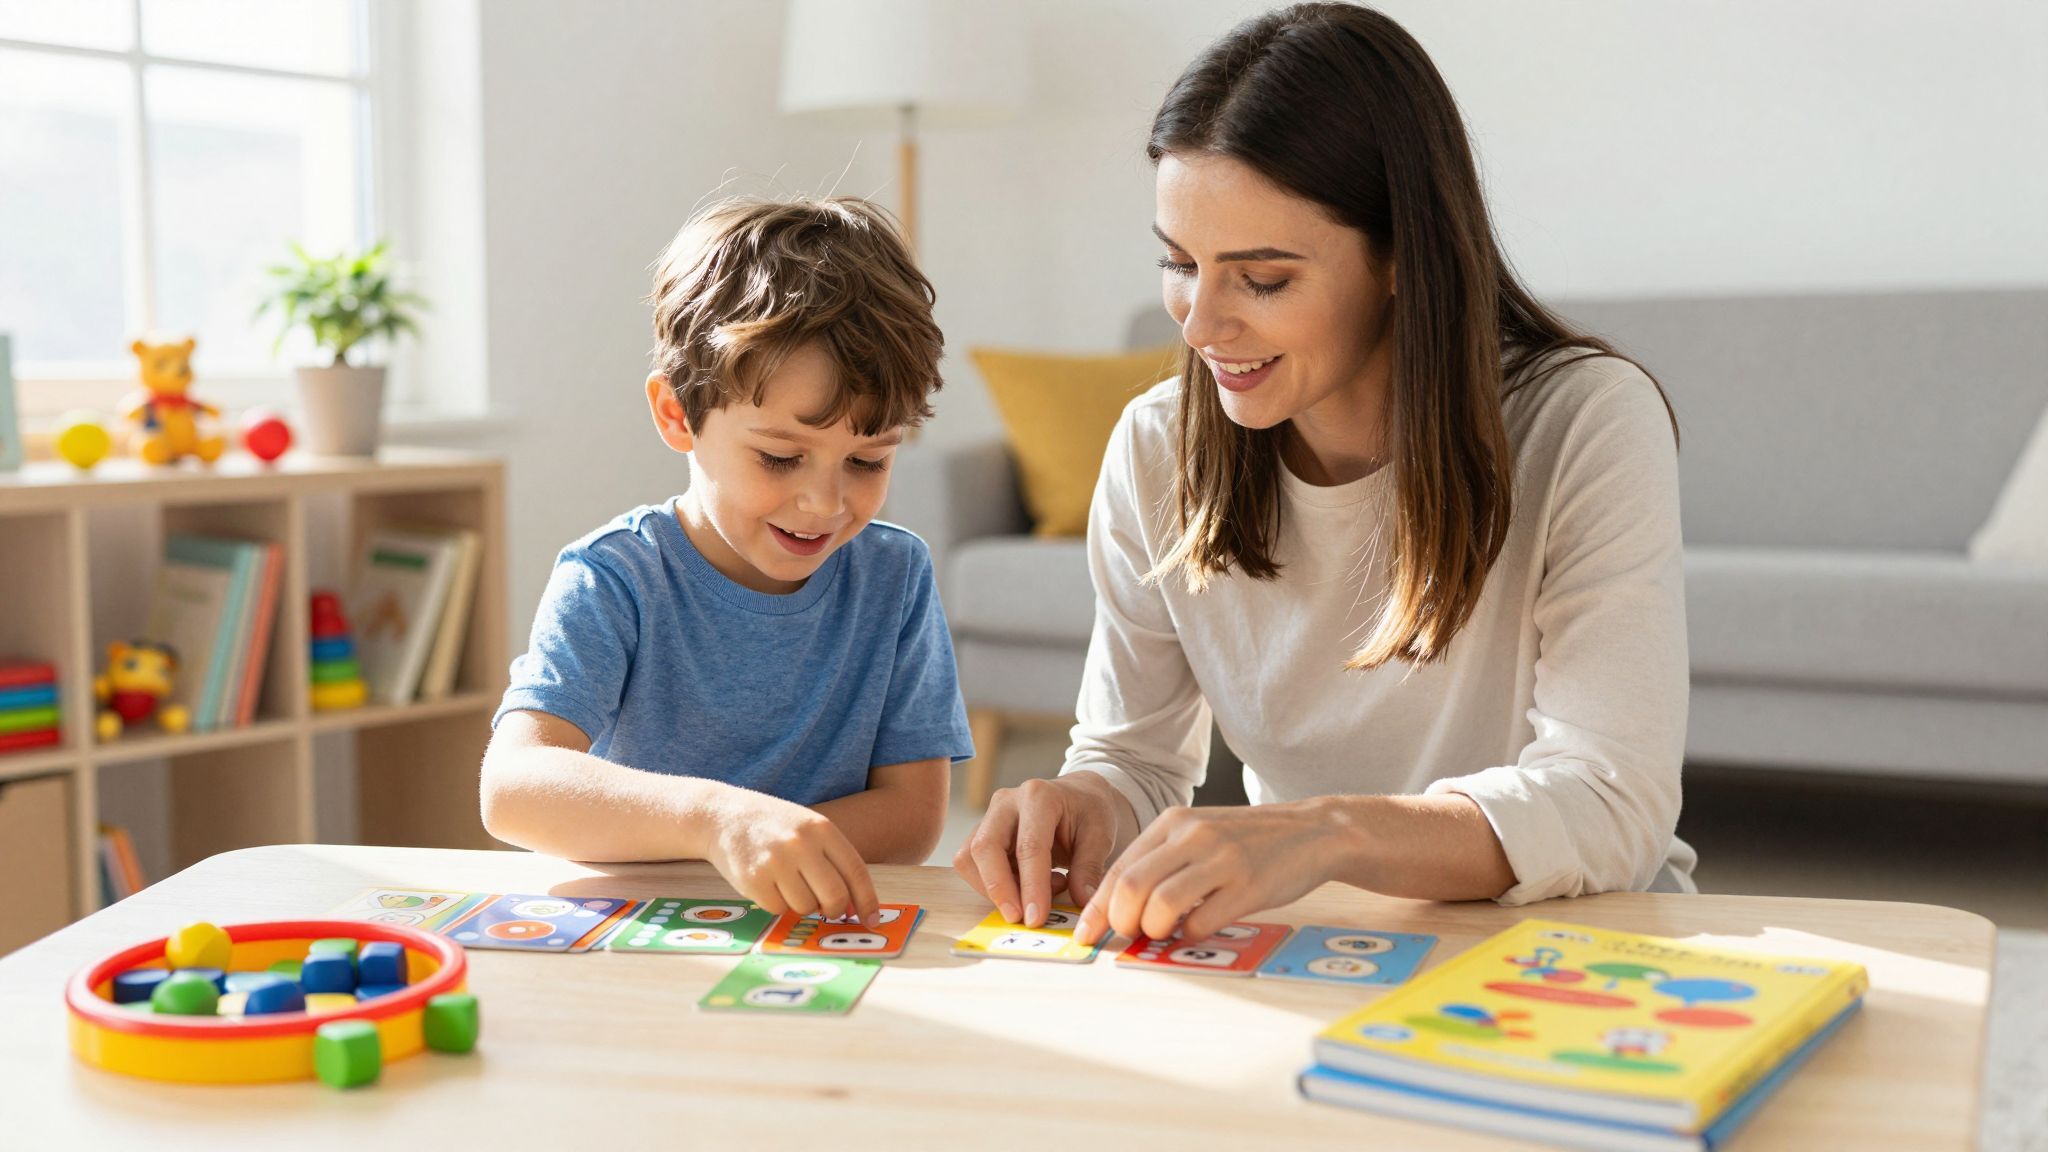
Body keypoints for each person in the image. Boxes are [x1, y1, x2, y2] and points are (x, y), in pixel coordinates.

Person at [956, 2, 1694, 947]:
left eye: (1262, 279)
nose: (1199, 325)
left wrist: (1324, 832)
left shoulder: (1585, 420)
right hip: (1317, 945)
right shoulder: (1157, 447)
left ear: (1399, 256)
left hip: (1579, 941)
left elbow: (1609, 801)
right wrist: (1082, 804)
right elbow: (1134, 758)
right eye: (1179, 263)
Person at [483, 196, 974, 926]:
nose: (824, 503)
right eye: (780, 457)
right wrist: (716, 823)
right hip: (641, 929)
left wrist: (770, 848)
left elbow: (912, 816)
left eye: (868, 460)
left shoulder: (893, 576)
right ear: (677, 414)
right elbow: (514, 788)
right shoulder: (615, 576)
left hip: (814, 931)